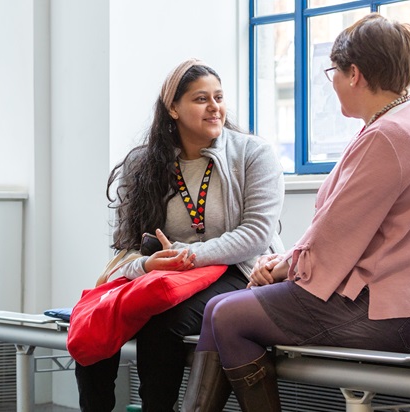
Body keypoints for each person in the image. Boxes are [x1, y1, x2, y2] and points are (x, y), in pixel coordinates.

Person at [186, 13, 410, 412]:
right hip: (388, 306)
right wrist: (285, 261)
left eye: (334, 72)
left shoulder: (389, 136)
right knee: (220, 310)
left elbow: (337, 234)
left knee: (226, 314)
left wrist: (283, 267)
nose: (333, 81)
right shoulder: (401, 123)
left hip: (384, 313)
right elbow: (342, 228)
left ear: (355, 74)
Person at [73, 58, 285, 412]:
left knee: (163, 324)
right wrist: (147, 265)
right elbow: (129, 246)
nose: (215, 107)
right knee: (97, 317)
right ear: (173, 108)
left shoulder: (253, 154)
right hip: (165, 274)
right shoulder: (142, 164)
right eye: (201, 99)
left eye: (219, 97)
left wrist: (187, 256)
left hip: (238, 271)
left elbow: (256, 235)